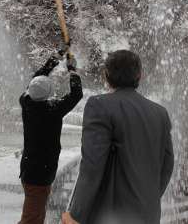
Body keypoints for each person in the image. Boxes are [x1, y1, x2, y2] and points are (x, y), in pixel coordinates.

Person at [62, 50, 174, 224]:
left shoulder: (99, 106)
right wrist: (146, 199)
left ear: (106, 75)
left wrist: (76, 214)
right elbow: (167, 165)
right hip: (148, 215)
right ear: (140, 75)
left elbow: (92, 165)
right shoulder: (160, 113)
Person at [18, 51, 83, 224]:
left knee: (36, 213)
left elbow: (36, 79)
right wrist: (72, 69)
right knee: (31, 217)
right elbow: (76, 95)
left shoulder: (26, 103)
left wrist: (55, 59)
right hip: (41, 172)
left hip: (29, 169)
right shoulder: (52, 110)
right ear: (49, 92)